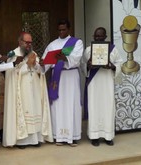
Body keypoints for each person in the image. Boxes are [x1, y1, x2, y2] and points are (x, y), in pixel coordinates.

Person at [3, 32, 53, 148]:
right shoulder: (13, 54)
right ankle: (22, 141)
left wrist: (36, 65)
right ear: (20, 42)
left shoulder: (33, 53)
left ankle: (36, 139)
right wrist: (26, 66)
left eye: (30, 42)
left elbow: (41, 71)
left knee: (35, 110)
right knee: (24, 112)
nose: (29, 45)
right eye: (26, 42)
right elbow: (10, 73)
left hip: (34, 88)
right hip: (21, 89)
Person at [42, 19, 83, 147]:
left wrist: (64, 57)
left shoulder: (77, 42)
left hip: (70, 75)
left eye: (64, 29)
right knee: (58, 105)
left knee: (72, 103)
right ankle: (58, 136)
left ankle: (73, 136)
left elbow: (77, 59)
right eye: (59, 30)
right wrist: (41, 64)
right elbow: (46, 62)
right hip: (57, 78)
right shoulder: (52, 44)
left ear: (69, 29)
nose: (61, 32)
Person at [81, 27, 122, 146]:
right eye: (96, 36)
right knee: (94, 107)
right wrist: (88, 66)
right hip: (94, 84)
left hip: (107, 83)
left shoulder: (113, 50)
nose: (98, 38)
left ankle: (108, 136)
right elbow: (83, 65)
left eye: (101, 36)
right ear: (93, 37)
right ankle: (94, 136)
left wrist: (112, 66)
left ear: (106, 37)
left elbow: (119, 63)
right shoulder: (88, 50)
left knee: (107, 107)